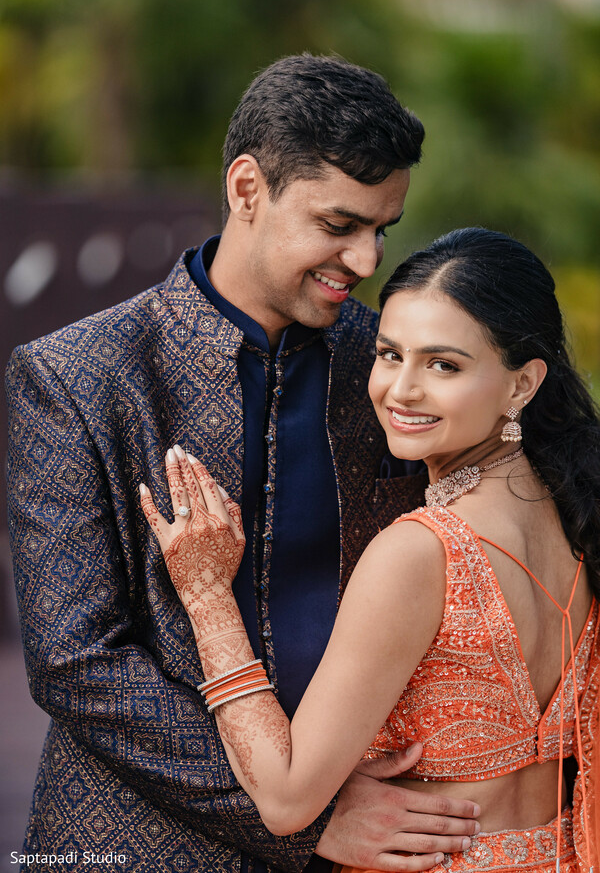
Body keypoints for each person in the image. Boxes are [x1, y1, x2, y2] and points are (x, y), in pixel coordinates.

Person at [5, 54, 481, 873]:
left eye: (380, 231)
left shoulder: (388, 369)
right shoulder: (74, 376)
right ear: (246, 189)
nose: (366, 262)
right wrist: (299, 815)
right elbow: (75, 660)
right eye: (339, 226)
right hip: (132, 846)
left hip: (369, 837)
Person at [140, 228, 600, 873]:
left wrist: (208, 595)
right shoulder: (574, 515)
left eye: (444, 365)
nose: (401, 391)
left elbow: (286, 798)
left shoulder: (419, 553)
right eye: (390, 354)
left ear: (522, 384)